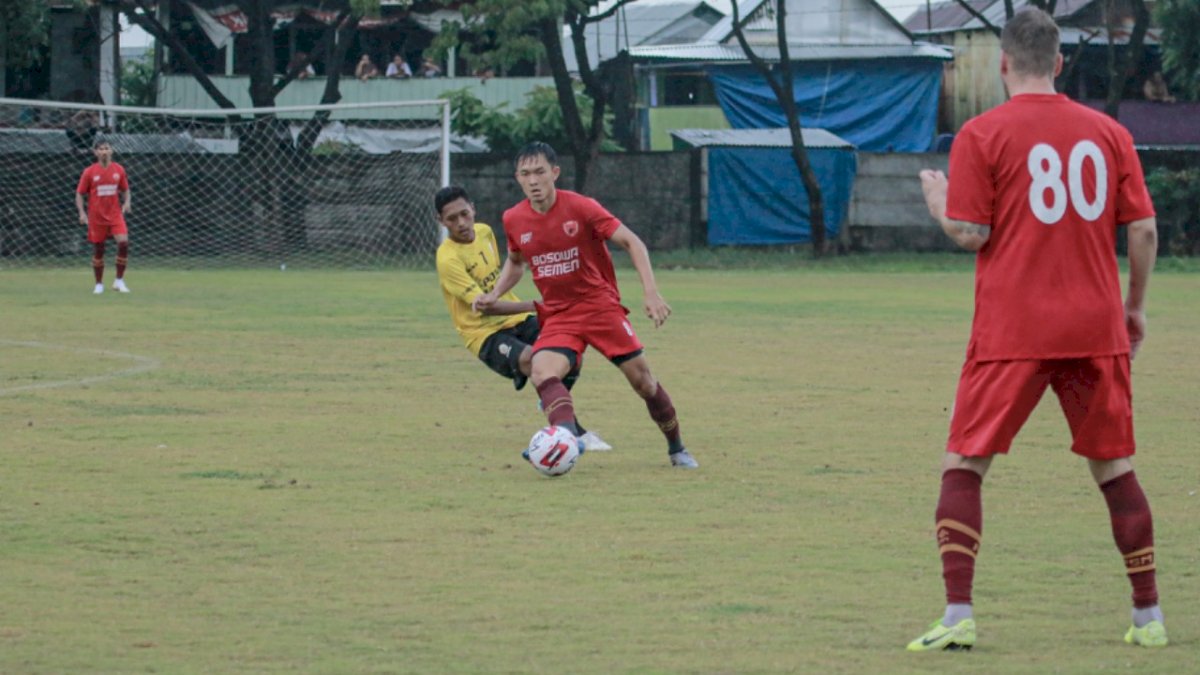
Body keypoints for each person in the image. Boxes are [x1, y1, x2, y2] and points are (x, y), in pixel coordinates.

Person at [907, 8, 1163, 652]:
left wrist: (938, 203)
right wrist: (1133, 308)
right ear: (1058, 62)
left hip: (1014, 329)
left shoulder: (982, 133)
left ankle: (959, 612)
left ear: (1000, 63)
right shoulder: (1108, 132)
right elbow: (1144, 229)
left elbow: (972, 233)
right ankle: (1148, 617)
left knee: (965, 463)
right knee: (1115, 468)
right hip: (1094, 325)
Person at [474, 142, 698, 469]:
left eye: (539, 172)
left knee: (644, 382)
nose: (533, 180)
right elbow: (516, 262)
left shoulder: (582, 207)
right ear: (517, 178)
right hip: (559, 314)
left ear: (555, 173)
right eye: (525, 174)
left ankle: (677, 448)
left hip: (599, 307)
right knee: (541, 371)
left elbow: (632, 242)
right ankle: (565, 440)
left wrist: (651, 292)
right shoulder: (513, 218)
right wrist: (494, 294)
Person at [434, 185, 612, 452]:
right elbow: (486, 308)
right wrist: (537, 305)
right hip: (483, 334)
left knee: (572, 348)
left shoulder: (484, 232)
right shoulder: (447, 259)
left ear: (473, 208)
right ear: (441, 221)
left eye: (464, 214)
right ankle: (573, 433)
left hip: (518, 317)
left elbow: (505, 275)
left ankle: (548, 397)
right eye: (452, 219)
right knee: (532, 360)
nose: (461, 223)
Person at [76, 139, 132, 294]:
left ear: (111, 151)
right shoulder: (89, 172)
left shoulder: (119, 169)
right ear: (96, 152)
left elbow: (126, 189)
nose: (104, 151)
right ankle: (99, 284)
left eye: (107, 148)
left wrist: (127, 202)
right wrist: (82, 212)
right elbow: (79, 194)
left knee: (124, 243)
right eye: (101, 149)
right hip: (96, 217)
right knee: (99, 249)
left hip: (115, 215)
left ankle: (119, 281)